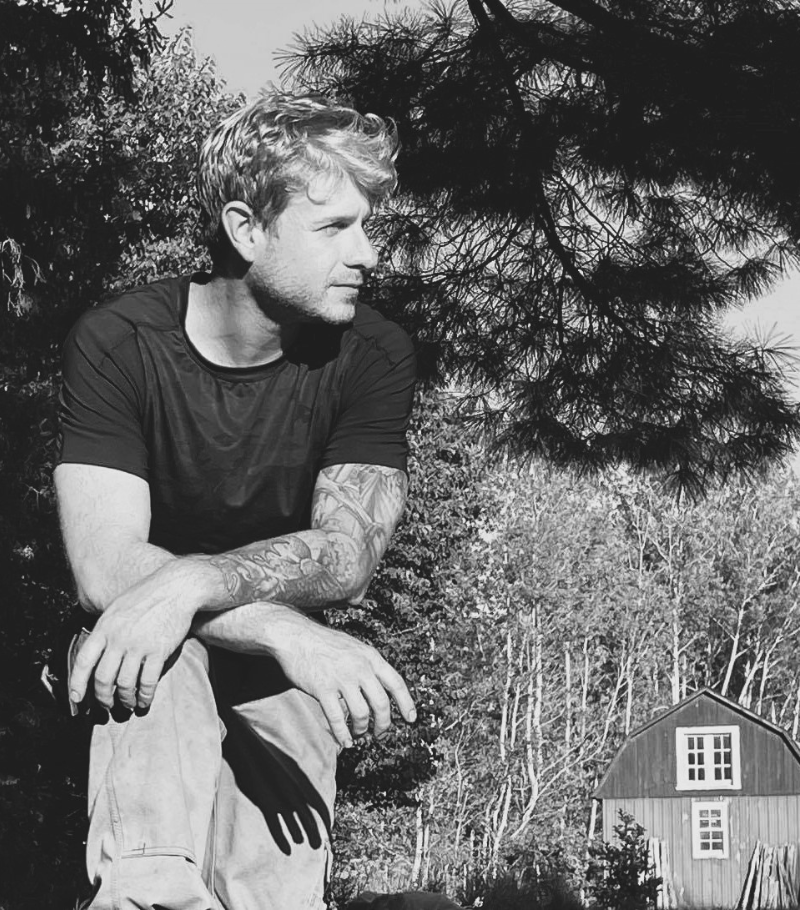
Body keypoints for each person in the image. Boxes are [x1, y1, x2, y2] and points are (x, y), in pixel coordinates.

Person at [54, 92, 417, 910]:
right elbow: (106, 569)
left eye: (368, 225)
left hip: (278, 677)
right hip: (155, 657)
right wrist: (280, 626)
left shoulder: (374, 354)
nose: (367, 253)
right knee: (154, 639)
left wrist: (192, 582)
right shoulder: (120, 343)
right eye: (334, 228)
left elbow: (347, 552)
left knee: (277, 896)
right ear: (247, 229)